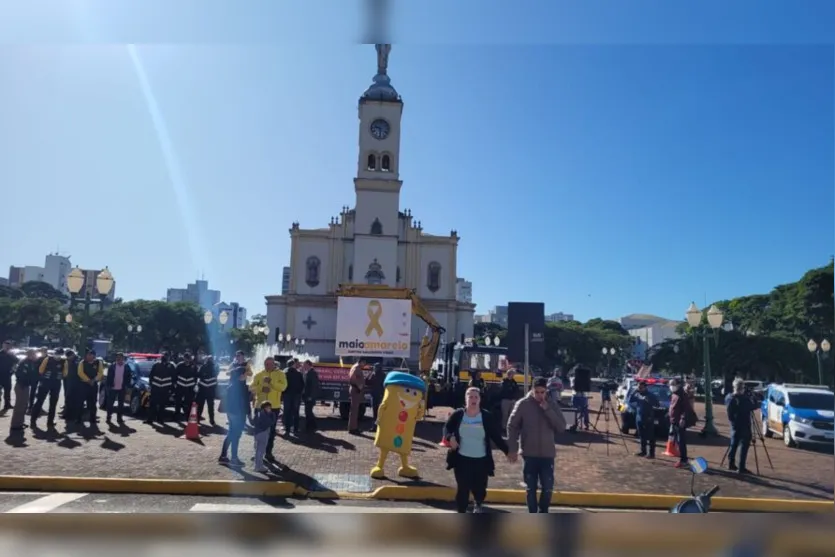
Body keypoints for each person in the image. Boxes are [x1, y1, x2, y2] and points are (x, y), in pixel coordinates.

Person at [444, 387, 510, 513]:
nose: (473, 399)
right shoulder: (458, 414)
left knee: (479, 488)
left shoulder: (486, 416)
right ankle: (461, 511)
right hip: (461, 459)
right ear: (466, 399)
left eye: (476, 397)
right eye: (470, 397)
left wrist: (507, 451)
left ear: (480, 399)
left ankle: (478, 503)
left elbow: (496, 437)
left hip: (481, 460)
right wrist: (450, 437)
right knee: (462, 488)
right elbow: (447, 428)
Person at [507, 377, 567, 513]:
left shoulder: (551, 404)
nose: (540, 395)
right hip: (529, 454)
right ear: (532, 390)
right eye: (537, 392)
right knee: (531, 488)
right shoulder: (523, 404)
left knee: (548, 487)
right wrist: (512, 448)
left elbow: (561, 427)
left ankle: (543, 511)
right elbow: (512, 426)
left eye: (542, 392)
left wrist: (547, 410)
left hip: (547, 454)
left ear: (546, 391)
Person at [250, 357, 286, 462]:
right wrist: (261, 388)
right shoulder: (259, 374)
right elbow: (251, 388)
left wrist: (272, 383)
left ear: (274, 364)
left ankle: (268, 453)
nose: (267, 366)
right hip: (260, 406)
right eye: (266, 364)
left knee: (271, 431)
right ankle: (257, 452)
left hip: (273, 407)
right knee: (258, 431)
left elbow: (283, 387)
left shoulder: (280, 374)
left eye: (270, 364)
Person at [219, 361, 249, 467]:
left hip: (233, 413)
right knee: (235, 435)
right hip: (237, 413)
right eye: (245, 374)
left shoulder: (234, 385)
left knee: (232, 434)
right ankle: (234, 458)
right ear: (241, 376)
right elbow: (240, 401)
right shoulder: (238, 386)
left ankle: (224, 456)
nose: (246, 376)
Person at [31, 347, 68, 429]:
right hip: (49, 382)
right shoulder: (50, 359)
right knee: (42, 401)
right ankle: (36, 421)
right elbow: (41, 370)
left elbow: (65, 373)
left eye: (59, 354)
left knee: (50, 403)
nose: (57, 356)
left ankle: (46, 421)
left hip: (52, 383)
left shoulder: (60, 361)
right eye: (57, 354)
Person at [725, 378, 755, 474]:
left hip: (734, 425)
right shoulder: (744, 399)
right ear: (742, 388)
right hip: (744, 425)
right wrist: (752, 397)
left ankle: (731, 463)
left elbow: (730, 414)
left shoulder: (729, 397)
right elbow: (753, 406)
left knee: (734, 444)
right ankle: (741, 467)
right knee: (744, 446)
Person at [669, 378, 697, 469]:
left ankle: (684, 460)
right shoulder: (674, 394)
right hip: (674, 420)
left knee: (681, 441)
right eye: (670, 384)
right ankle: (682, 459)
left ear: (678, 385)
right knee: (678, 441)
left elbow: (686, 408)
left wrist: (683, 418)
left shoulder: (682, 394)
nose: (671, 386)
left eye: (673, 384)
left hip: (679, 422)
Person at [628, 381, 659, 458]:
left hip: (648, 418)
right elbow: (630, 400)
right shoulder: (637, 394)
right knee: (641, 436)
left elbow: (657, 404)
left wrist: (649, 401)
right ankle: (643, 451)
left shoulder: (650, 395)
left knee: (650, 436)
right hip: (639, 418)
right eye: (638, 387)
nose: (639, 389)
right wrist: (634, 391)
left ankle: (651, 453)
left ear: (645, 387)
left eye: (641, 387)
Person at [10, 349, 38, 432]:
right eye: (34, 355)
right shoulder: (24, 363)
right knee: (19, 406)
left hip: (25, 386)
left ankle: (20, 422)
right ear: (30, 355)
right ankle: (15, 425)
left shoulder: (30, 362)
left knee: (24, 405)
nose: (35, 356)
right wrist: (30, 381)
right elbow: (21, 375)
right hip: (21, 386)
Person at [75, 349, 104, 428]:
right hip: (83, 385)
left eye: (91, 355)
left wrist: (94, 380)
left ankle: (92, 419)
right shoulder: (82, 362)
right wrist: (88, 380)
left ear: (94, 356)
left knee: (93, 402)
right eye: (88, 355)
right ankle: (78, 419)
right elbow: (80, 373)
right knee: (80, 402)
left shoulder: (98, 363)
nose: (89, 356)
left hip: (93, 385)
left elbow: (100, 373)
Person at [105, 352, 133, 424]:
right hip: (112, 388)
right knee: (110, 403)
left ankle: (119, 418)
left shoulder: (126, 367)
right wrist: (108, 386)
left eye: (120, 357)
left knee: (121, 404)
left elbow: (129, 377)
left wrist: (127, 386)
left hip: (122, 388)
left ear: (123, 358)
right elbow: (108, 377)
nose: (118, 358)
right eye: (117, 357)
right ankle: (108, 417)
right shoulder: (112, 366)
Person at [146, 353, 174, 424]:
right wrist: (151, 385)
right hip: (156, 388)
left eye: (167, 356)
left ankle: (160, 419)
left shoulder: (171, 366)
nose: (165, 358)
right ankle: (150, 419)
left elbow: (173, 378)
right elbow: (151, 375)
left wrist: (171, 389)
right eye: (164, 356)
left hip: (165, 388)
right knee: (153, 404)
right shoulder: (156, 365)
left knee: (162, 405)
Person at [283, 358, 304, 436]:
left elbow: (283, 385)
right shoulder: (299, 374)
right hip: (296, 396)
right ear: (293, 365)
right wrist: (299, 393)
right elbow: (302, 385)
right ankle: (296, 429)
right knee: (296, 412)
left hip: (287, 395)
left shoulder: (285, 374)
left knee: (287, 412)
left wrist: (284, 393)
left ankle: (287, 429)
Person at [252, 401, 276, 473]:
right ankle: (259, 466)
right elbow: (270, 422)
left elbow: (254, 422)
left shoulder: (258, 413)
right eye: (268, 408)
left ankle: (257, 466)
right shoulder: (265, 415)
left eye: (270, 408)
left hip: (257, 433)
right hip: (263, 433)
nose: (270, 409)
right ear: (264, 408)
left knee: (258, 451)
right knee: (261, 451)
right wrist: (272, 415)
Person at [196, 355, 219, 426]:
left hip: (204, 388)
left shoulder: (204, 366)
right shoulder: (215, 367)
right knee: (209, 406)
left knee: (202, 405)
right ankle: (211, 420)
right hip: (209, 389)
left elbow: (198, 375)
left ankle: (199, 419)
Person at [174, 353, 198, 419]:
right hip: (180, 386)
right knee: (178, 402)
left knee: (189, 402)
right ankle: (177, 415)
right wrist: (175, 384)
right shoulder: (179, 365)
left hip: (190, 387)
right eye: (186, 358)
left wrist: (195, 385)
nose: (187, 359)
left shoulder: (193, 366)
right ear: (184, 358)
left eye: (188, 358)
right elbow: (175, 375)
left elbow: (196, 376)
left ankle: (187, 416)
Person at [347, 359, 366, 434]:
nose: (364, 365)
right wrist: (359, 386)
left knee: (354, 410)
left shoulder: (356, 367)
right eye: (364, 363)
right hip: (355, 390)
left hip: (355, 390)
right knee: (354, 410)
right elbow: (352, 378)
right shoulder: (356, 368)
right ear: (361, 362)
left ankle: (353, 427)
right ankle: (353, 429)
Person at [302, 360, 320, 433]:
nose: (303, 366)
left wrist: (311, 396)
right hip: (307, 396)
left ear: (308, 365)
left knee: (308, 411)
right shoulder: (309, 373)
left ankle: (311, 426)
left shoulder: (312, 373)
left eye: (304, 365)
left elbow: (314, 386)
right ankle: (311, 426)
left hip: (310, 397)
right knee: (308, 411)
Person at [61, 349, 79, 421]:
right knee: (67, 396)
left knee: (70, 398)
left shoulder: (76, 361)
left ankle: (68, 415)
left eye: (69, 356)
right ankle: (66, 413)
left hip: (73, 381)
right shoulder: (68, 360)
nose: (68, 357)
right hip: (67, 380)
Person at [367, 363, 386, 432]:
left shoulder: (374, 374)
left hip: (375, 396)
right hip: (380, 395)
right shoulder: (383, 375)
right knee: (380, 412)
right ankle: (380, 427)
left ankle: (375, 427)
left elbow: (367, 382)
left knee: (375, 413)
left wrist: (370, 373)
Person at [0, 340, 16, 410]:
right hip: (0, 375)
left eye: (8, 346)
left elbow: (16, 361)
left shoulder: (11, 354)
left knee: (7, 390)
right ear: (3, 346)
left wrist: (13, 370)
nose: (7, 347)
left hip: (7, 375)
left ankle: (7, 404)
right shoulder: (0, 353)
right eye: (6, 346)